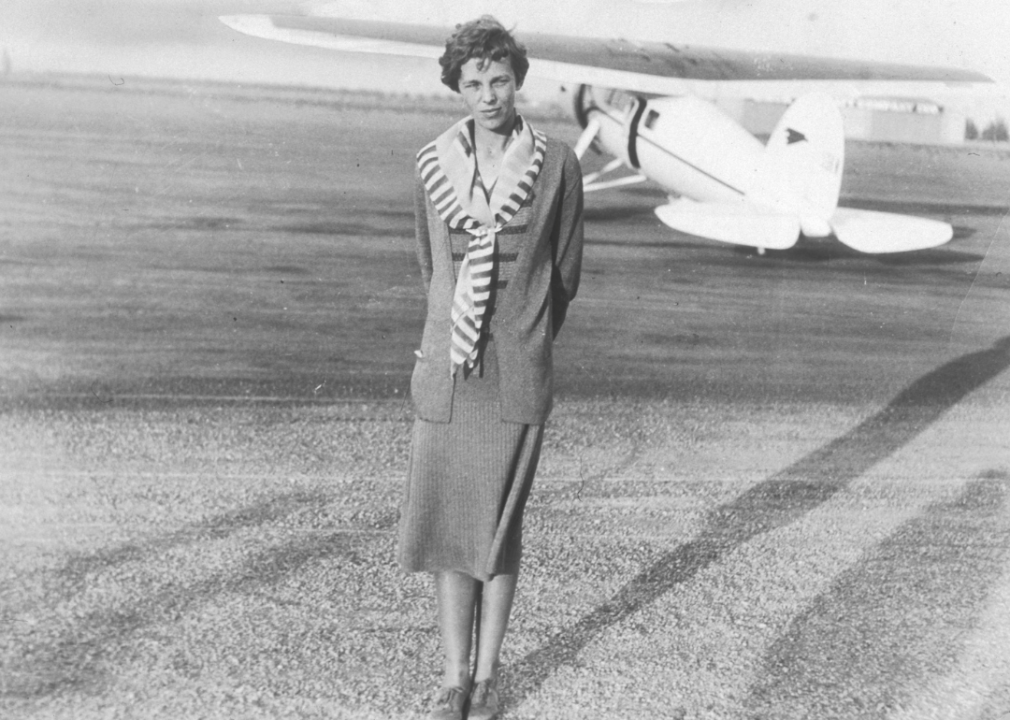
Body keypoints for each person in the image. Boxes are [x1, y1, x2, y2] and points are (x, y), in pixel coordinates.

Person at [396, 15, 584, 720]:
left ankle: (489, 676)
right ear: (457, 85)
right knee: (451, 527)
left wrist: (524, 333)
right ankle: (453, 679)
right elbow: (430, 265)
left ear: (517, 81)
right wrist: (458, 328)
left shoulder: (556, 163)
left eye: (498, 79)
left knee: (498, 529)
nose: (487, 94)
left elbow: (563, 273)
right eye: (472, 81)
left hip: (515, 369)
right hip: (449, 370)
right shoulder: (431, 162)